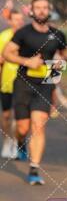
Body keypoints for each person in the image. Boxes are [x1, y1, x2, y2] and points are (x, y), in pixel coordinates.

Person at [2, 0, 67, 185]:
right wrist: (27, 61)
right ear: (31, 11)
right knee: (23, 128)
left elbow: (66, 55)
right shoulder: (23, 33)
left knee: (38, 124)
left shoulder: (58, 35)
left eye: (44, 8)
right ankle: (21, 143)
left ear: (49, 11)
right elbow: (7, 53)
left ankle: (34, 169)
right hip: (23, 83)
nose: (41, 11)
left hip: (45, 85)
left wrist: (60, 64)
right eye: (37, 8)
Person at [0, 9, 24, 158]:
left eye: (21, 19)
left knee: (18, 116)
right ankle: (7, 141)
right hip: (6, 82)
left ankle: (16, 142)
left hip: (23, 81)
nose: (19, 22)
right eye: (16, 19)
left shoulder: (27, 36)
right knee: (6, 115)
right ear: (10, 21)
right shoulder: (3, 37)